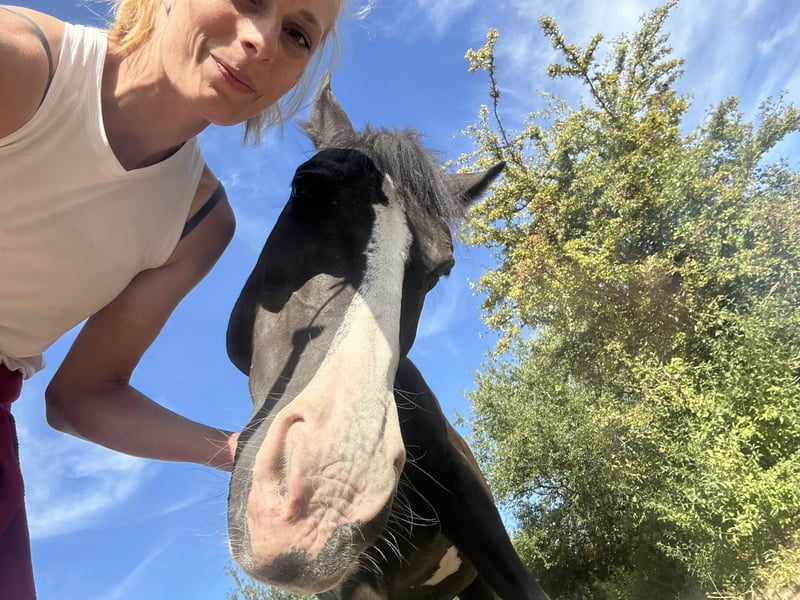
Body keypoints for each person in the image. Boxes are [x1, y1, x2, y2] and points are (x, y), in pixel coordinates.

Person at [0, 0, 343, 597]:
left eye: (297, 34)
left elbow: (83, 397)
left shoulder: (199, 223)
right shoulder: (21, 63)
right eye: (249, 0)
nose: (263, 41)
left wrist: (243, 450)